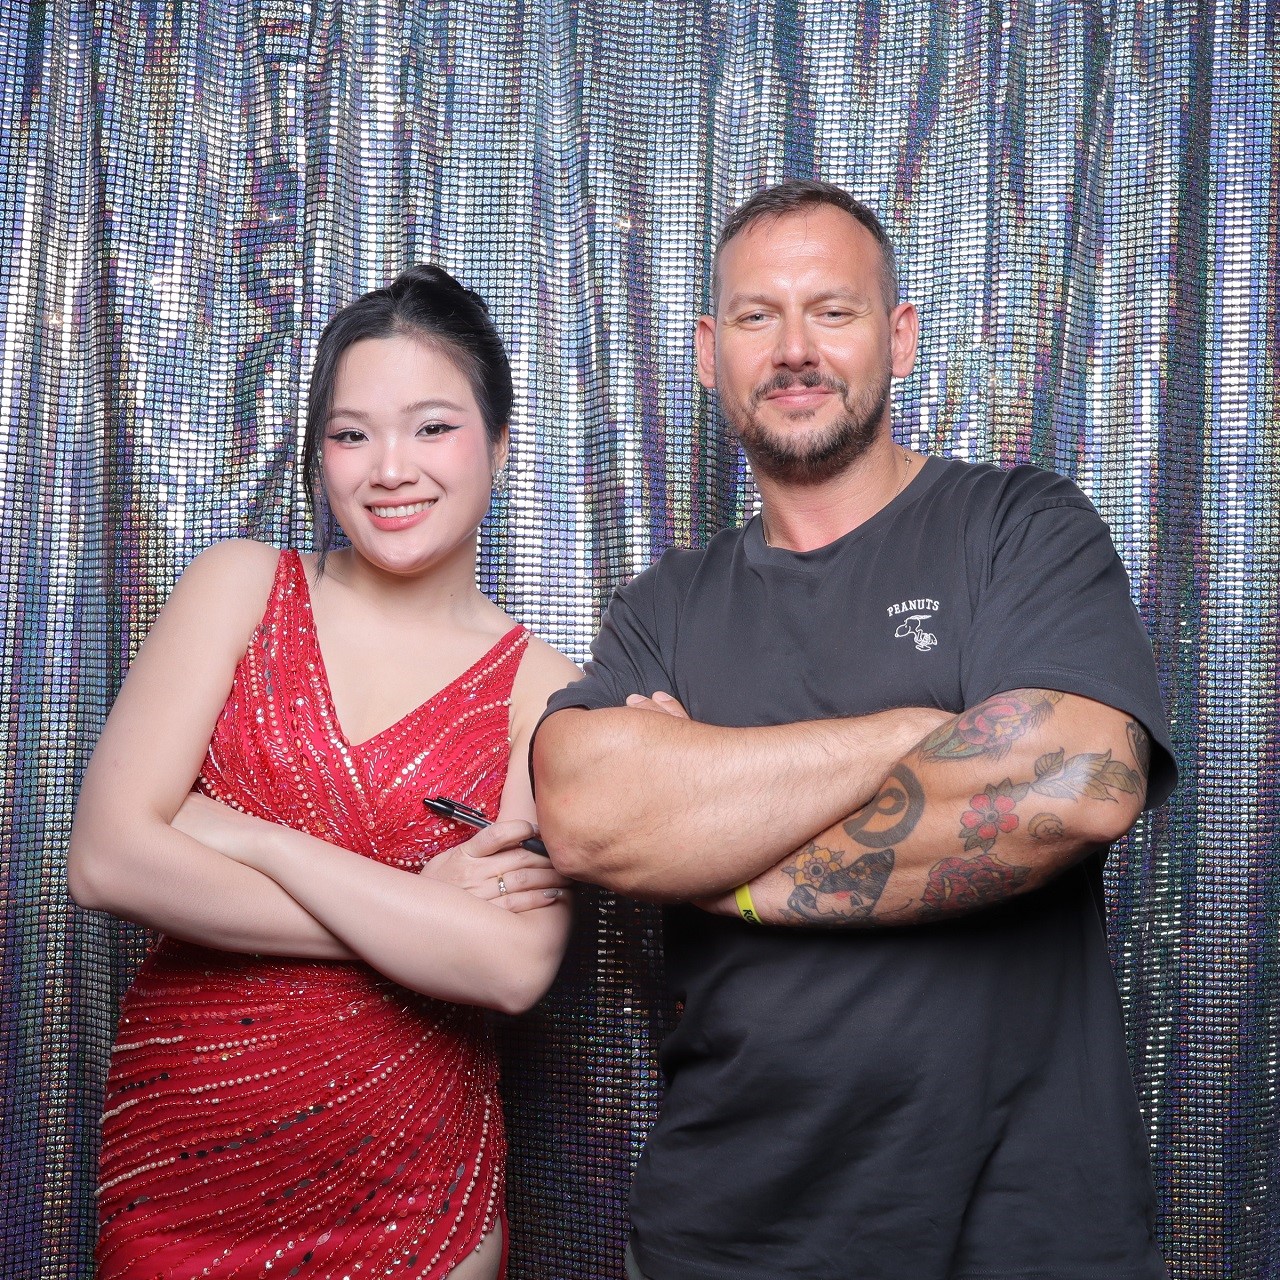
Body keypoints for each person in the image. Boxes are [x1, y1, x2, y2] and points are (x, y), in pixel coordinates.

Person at [532, 181, 1177, 1280]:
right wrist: (916, 734)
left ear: (898, 336)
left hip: (1020, 1229)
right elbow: (585, 815)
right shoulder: (664, 606)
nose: (795, 348)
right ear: (708, 354)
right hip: (727, 1236)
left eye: (832, 311)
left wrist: (722, 866)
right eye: (757, 316)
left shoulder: (1018, 528)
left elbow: (1078, 780)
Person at [69, 264, 579, 1280]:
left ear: (499, 443)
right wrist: (417, 914)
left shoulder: (545, 688)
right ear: (317, 455)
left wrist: (242, 834)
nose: (389, 468)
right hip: (179, 1188)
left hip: (415, 1206)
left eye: (432, 427)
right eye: (350, 434)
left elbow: (509, 966)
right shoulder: (238, 587)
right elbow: (106, 861)